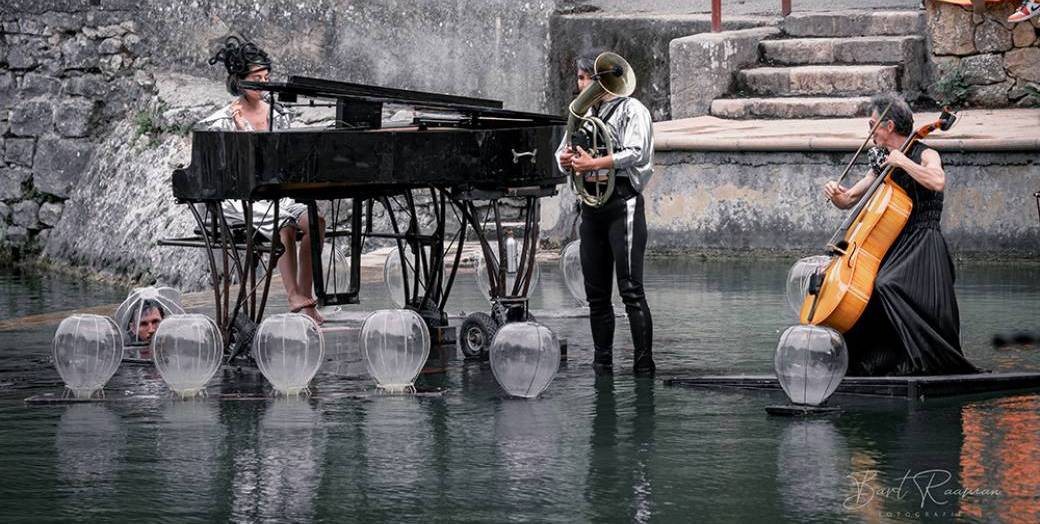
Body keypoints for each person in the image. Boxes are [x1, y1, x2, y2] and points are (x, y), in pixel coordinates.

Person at [823, 94, 978, 376]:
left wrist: (904, 162)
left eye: (873, 124)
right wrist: (836, 194)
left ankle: (918, 359)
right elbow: (850, 199)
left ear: (889, 126)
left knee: (887, 284)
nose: (869, 131)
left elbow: (937, 181)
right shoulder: (881, 161)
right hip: (895, 244)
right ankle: (874, 361)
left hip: (923, 242)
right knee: (866, 291)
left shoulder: (926, 153)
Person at [198, 36, 325, 324]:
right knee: (285, 223)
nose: (264, 84)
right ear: (239, 81)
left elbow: (285, 159)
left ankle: (306, 296)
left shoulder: (278, 115)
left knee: (315, 221)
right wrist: (243, 133)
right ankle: (293, 295)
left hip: (273, 192)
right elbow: (226, 172)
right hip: (238, 196)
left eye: (266, 77)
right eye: (257, 78)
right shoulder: (222, 121)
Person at [556, 49, 655, 375]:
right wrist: (567, 160)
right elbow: (560, 155)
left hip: (621, 205)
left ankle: (643, 366)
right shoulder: (580, 115)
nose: (580, 85)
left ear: (600, 80)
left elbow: (636, 152)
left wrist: (594, 162)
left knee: (630, 291)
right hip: (592, 208)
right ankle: (602, 364)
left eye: (585, 79)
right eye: (580, 79)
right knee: (596, 296)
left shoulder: (632, 109)